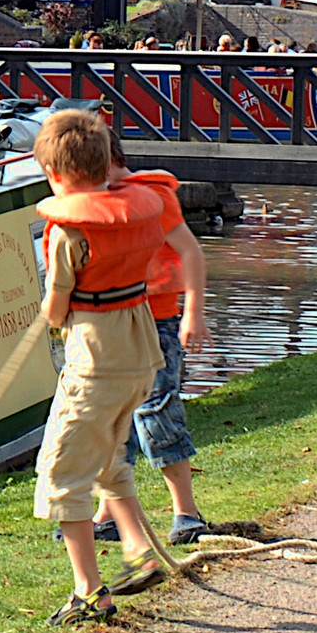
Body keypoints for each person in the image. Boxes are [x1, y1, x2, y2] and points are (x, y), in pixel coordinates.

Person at [30, 109, 173, 625]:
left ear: (56, 175)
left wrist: (44, 316)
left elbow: (58, 308)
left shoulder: (69, 235)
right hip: (140, 358)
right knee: (109, 457)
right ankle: (139, 551)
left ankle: (90, 590)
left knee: (62, 473)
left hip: (94, 365)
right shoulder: (140, 212)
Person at [88, 131, 214, 546]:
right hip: (110, 325)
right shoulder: (94, 202)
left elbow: (190, 251)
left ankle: (186, 511)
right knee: (109, 418)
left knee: (156, 412)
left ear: (102, 163)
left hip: (155, 323)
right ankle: (108, 513)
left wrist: (192, 311)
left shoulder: (151, 197)